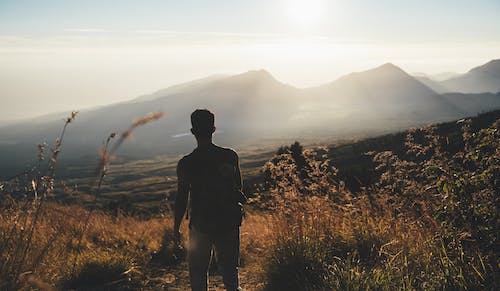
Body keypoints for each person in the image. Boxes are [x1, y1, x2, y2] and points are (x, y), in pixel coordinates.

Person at [174, 109, 246, 291]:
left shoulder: (186, 163)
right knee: (230, 268)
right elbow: (238, 187)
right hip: (228, 220)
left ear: (192, 131)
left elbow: (182, 198)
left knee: (198, 270)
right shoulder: (230, 156)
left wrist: (175, 228)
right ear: (213, 129)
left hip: (200, 223)